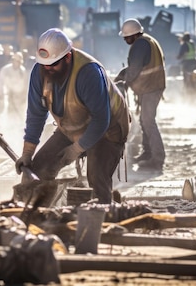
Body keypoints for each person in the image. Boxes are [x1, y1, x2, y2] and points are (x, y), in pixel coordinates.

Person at [15, 28, 130, 204]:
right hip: (73, 126)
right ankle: (38, 215)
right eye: (45, 64)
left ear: (67, 57)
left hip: (108, 129)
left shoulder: (88, 72)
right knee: (39, 170)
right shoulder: (40, 72)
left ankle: (105, 214)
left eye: (54, 64)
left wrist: (76, 149)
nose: (48, 69)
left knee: (97, 178)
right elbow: (35, 115)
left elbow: (101, 120)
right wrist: (27, 152)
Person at [116, 18, 166, 169]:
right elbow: (136, 67)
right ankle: (147, 152)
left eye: (126, 36)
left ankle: (157, 158)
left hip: (151, 87)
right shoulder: (147, 41)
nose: (124, 39)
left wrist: (124, 81)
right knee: (145, 121)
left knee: (148, 121)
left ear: (134, 34)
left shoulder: (140, 45)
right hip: (151, 86)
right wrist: (122, 75)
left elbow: (135, 68)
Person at [0, 52, 28, 119]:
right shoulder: (5, 70)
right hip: (8, 94)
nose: (18, 63)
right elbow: (0, 82)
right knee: (7, 110)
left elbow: (25, 84)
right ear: (13, 61)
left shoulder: (23, 71)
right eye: (17, 61)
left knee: (19, 113)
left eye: (19, 62)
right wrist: (0, 94)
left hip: (18, 96)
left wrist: (24, 96)